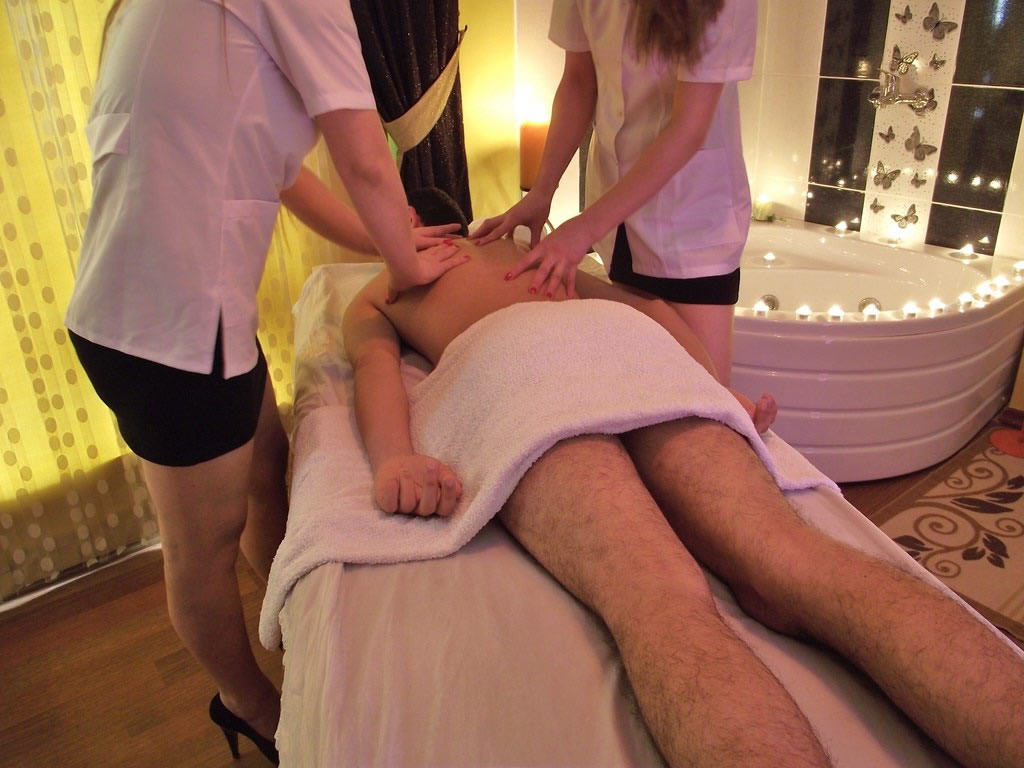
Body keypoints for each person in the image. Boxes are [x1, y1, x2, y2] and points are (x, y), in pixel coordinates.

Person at [341, 229, 1024, 768]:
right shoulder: (504, 252)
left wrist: (395, 458)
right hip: (603, 349)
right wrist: (712, 389)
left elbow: (377, 369)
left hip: (543, 358)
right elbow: (649, 310)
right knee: (775, 557)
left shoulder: (404, 278)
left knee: (677, 589)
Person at [63, 1, 467, 764]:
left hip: (172, 313)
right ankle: (252, 705)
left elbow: (285, 175)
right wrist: (406, 266)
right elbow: (364, 160)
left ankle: (292, 627)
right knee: (202, 550)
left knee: (265, 468)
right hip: (171, 334)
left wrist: (392, 243)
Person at [472, 0, 756, 385]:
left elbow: (689, 127)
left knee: (707, 393)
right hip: (617, 214)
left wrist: (583, 229)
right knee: (637, 382)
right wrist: (541, 192)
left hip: (692, 221)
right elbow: (578, 81)